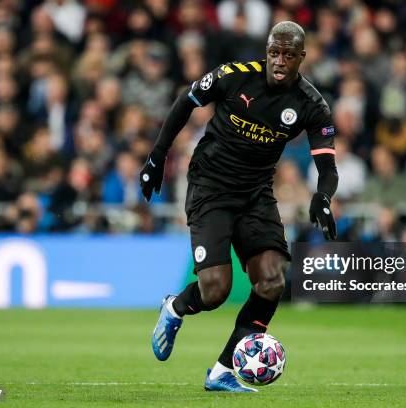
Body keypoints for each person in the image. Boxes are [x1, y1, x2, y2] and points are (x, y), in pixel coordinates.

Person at [140, 21, 338, 392]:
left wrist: (322, 197)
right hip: (210, 186)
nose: (280, 61)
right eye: (274, 52)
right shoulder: (234, 76)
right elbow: (186, 101)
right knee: (214, 290)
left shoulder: (311, 104)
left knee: (272, 279)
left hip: (255, 193)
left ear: (301, 58)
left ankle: (222, 371)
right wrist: (157, 157)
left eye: (288, 55)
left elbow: (327, 166)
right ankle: (175, 308)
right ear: (267, 51)